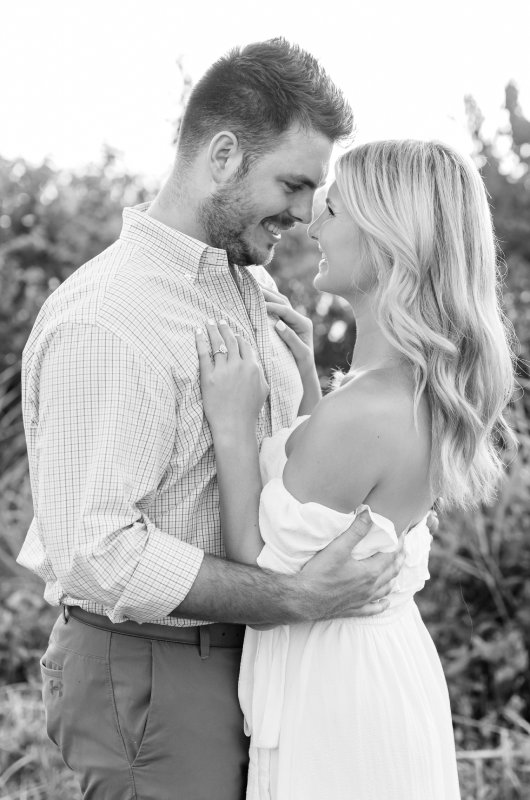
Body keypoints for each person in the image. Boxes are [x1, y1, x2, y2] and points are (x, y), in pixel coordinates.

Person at [17, 39, 414, 800]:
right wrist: (294, 598)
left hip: (251, 666)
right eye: (295, 184)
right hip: (155, 672)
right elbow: (96, 551)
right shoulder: (110, 318)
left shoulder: (241, 292)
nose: (305, 215)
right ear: (224, 155)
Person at [195, 139, 517, 800]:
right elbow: (332, 506)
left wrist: (232, 426)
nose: (313, 224)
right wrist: (312, 385)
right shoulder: (405, 390)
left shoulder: (367, 412)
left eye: (335, 210)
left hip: (337, 701)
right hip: (375, 674)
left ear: (384, 241)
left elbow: (259, 575)